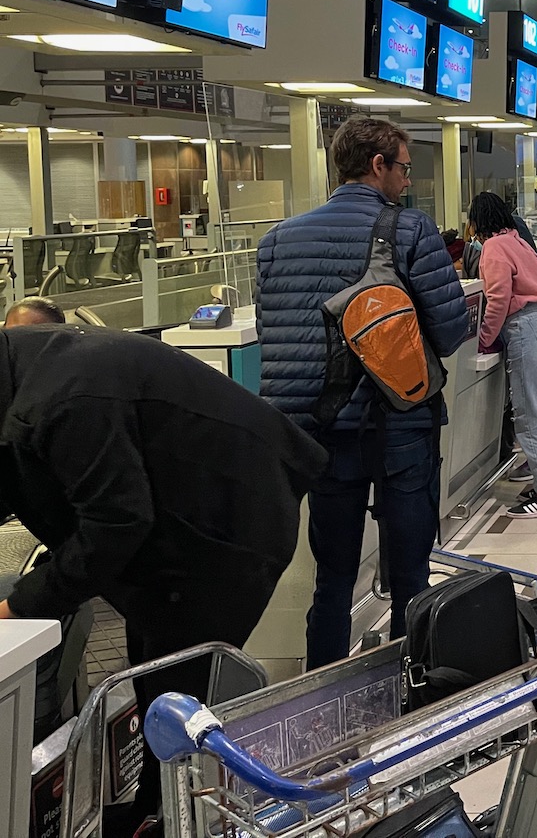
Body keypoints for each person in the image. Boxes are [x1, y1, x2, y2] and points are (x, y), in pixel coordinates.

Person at [0, 325, 327, 837]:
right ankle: (158, 809)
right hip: (181, 520)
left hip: (226, 525)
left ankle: (191, 819)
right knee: (155, 676)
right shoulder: (27, 373)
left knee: (182, 686)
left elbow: (116, 523)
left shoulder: (65, 397)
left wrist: (21, 605)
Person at [258, 117, 469, 670]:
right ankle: (408, 693)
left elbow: (279, 338)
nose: (406, 181)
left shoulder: (276, 241)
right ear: (378, 165)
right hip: (398, 427)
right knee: (409, 575)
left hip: (320, 437)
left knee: (332, 581)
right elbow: (449, 332)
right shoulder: (410, 230)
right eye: (403, 169)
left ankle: (324, 696)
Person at [469, 191, 537, 519]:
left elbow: (497, 298)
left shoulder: (494, 248)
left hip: (527, 329)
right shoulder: (517, 240)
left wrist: (484, 338)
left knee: (529, 414)